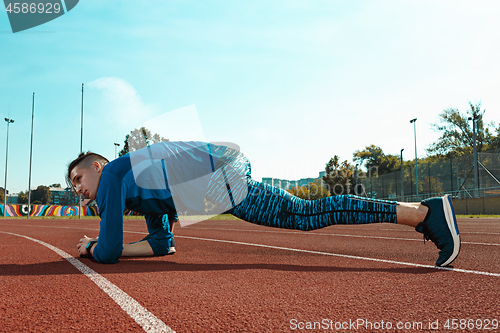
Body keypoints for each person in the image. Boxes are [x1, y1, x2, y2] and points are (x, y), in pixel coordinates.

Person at [68, 141, 460, 266]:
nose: (78, 189)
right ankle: (422, 213)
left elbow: (107, 253)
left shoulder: (116, 173)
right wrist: (108, 247)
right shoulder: (140, 189)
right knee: (308, 214)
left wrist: (93, 248)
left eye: (79, 179)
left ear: (98, 167)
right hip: (220, 178)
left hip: (219, 176)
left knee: (307, 215)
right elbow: (161, 244)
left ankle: (425, 215)